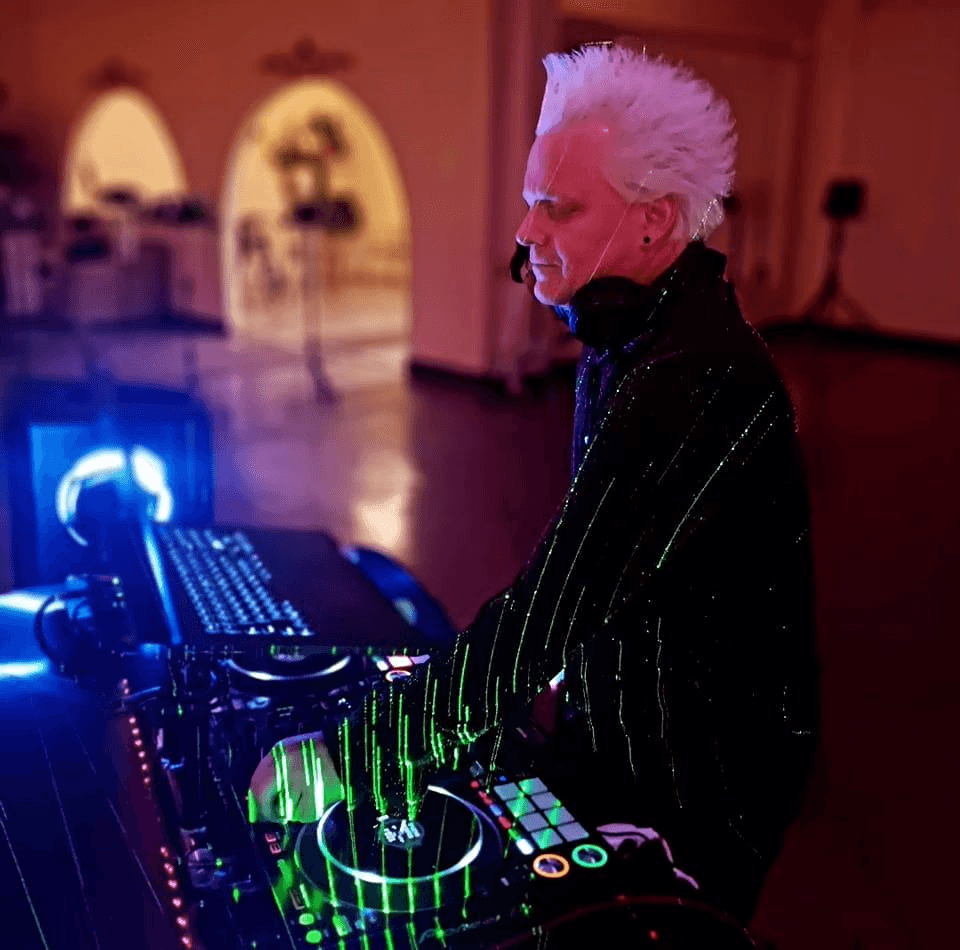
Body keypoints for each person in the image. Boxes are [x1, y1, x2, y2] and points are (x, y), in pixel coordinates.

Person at [249, 42, 818, 924]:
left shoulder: (698, 379)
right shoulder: (633, 338)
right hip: (619, 729)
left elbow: (558, 603)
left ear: (653, 223)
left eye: (558, 206)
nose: (525, 233)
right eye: (530, 201)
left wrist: (357, 757)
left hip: (698, 773)